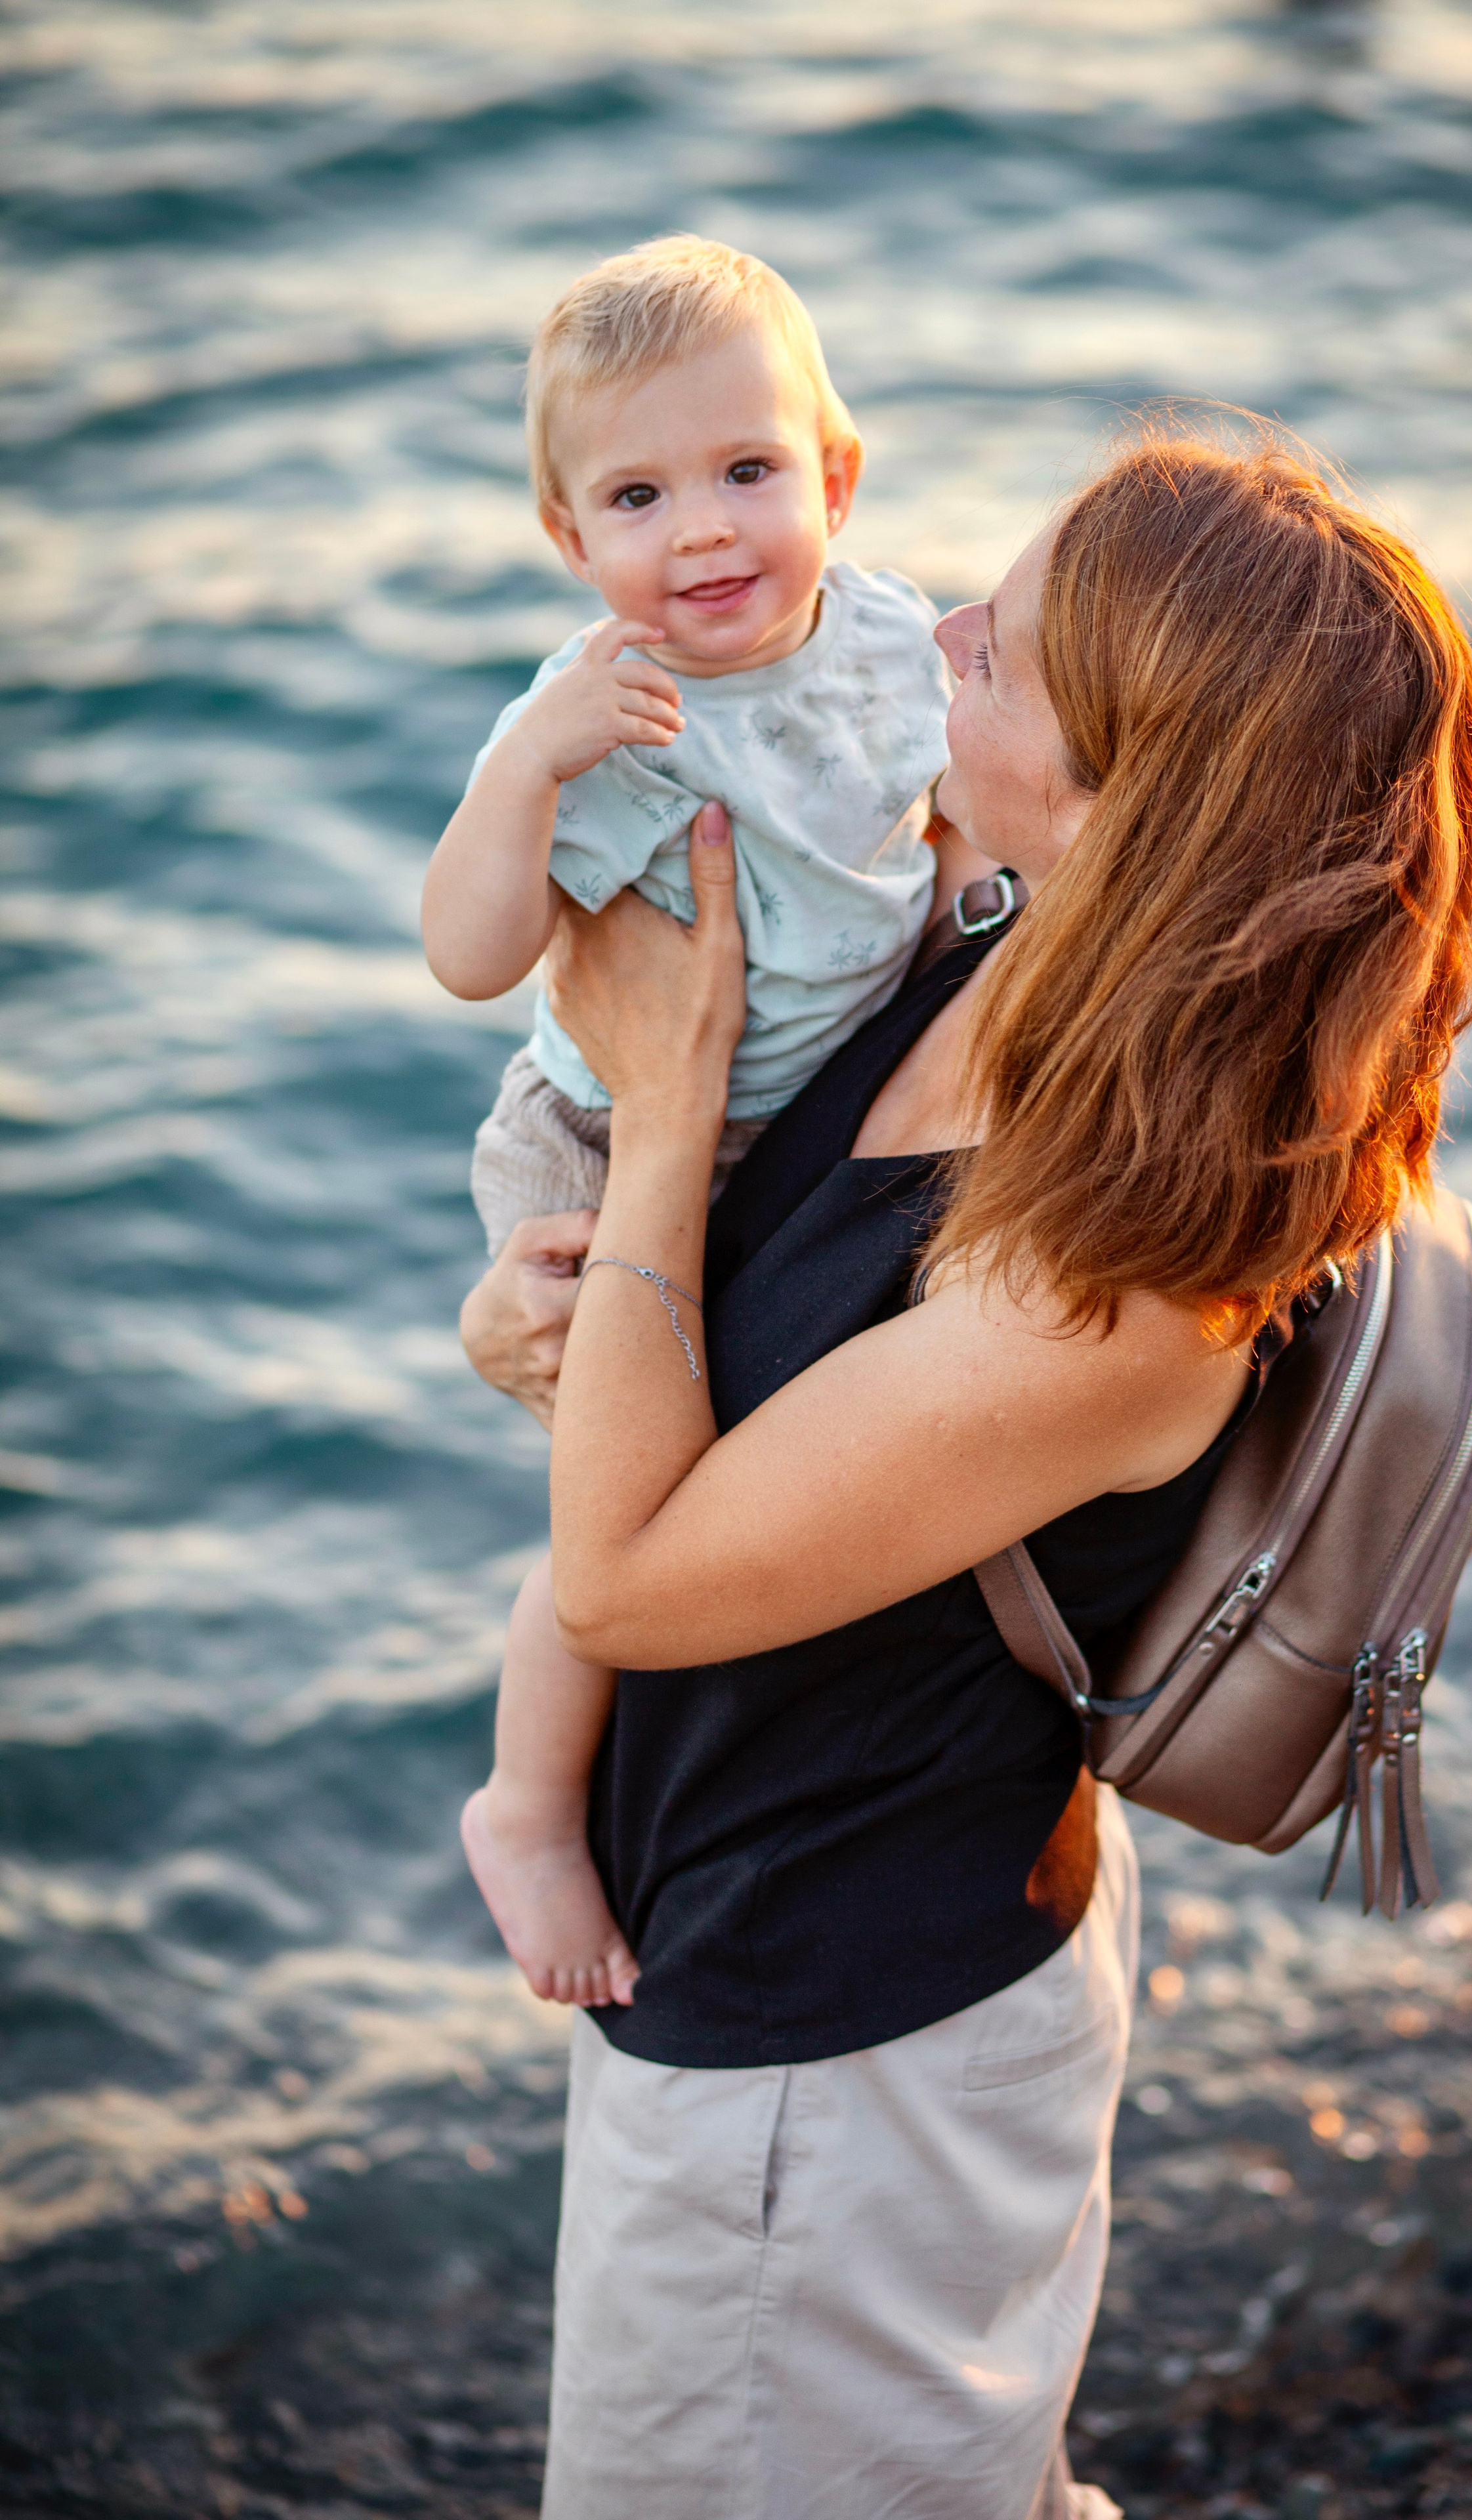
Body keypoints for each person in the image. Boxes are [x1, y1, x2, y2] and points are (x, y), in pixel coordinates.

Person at [459, 425, 1472, 2520]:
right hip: (791, 1941)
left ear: (1131, 796)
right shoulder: (996, 925)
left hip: (841, 2048)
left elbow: (631, 1584)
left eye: (1005, 655)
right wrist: (531, 1324)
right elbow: (738, 1400)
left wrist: (663, 1105)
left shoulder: (1117, 1282)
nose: (938, 635)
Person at [421, 236, 952, 2005]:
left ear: (836, 479)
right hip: (602, 1131)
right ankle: (527, 1809)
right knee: (619, 1505)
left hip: (785, 1120)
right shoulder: (603, 718)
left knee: (743, 1491)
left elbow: (959, 828)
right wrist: (525, 768)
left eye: (747, 471)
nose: (706, 532)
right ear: (572, 541)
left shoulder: (894, 641)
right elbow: (470, 957)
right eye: (639, 498)